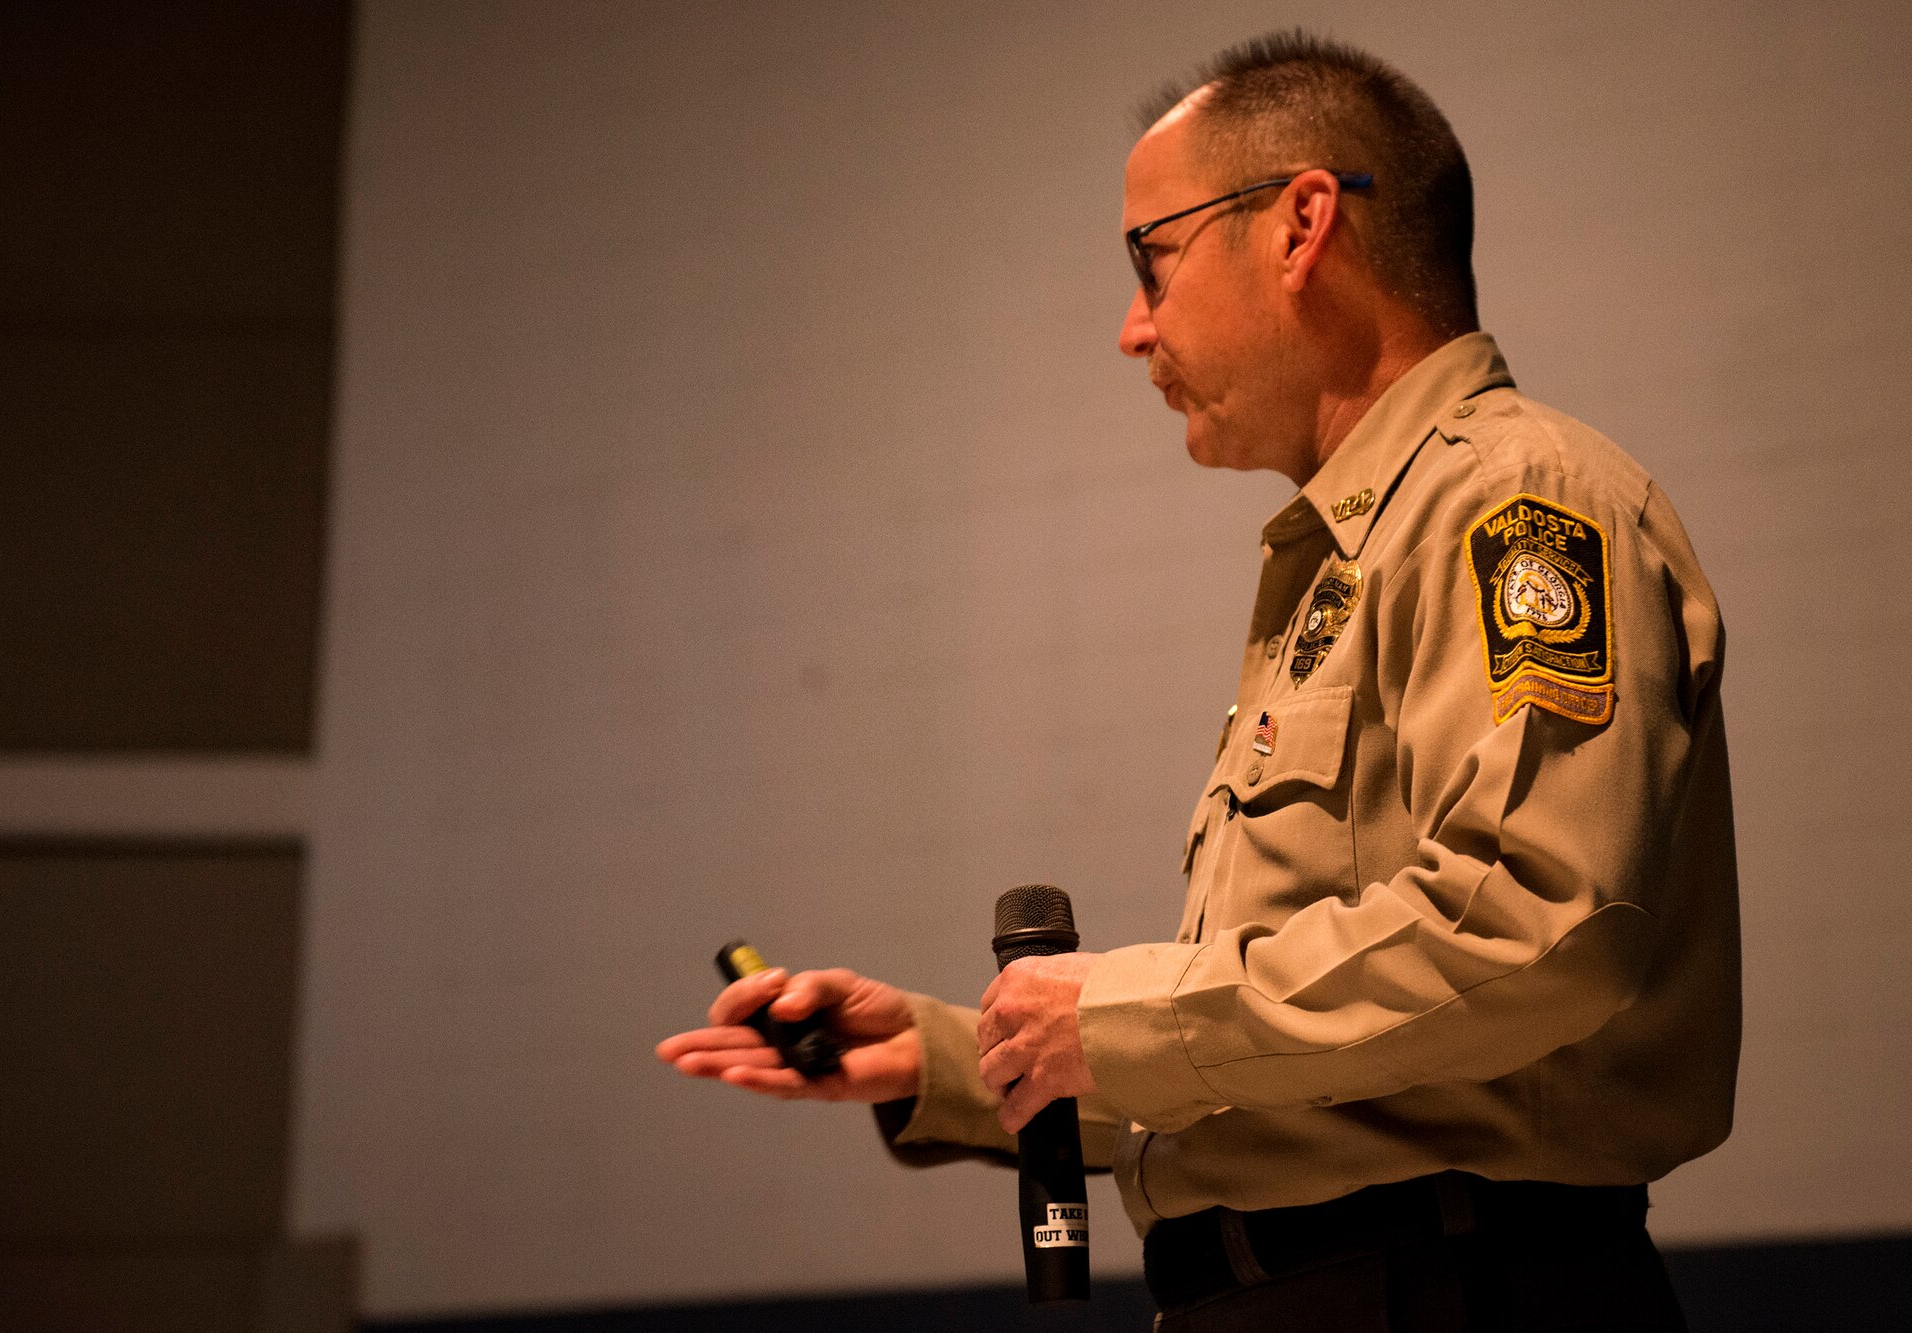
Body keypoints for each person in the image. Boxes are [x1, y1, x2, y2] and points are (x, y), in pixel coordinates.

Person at [658, 31, 1738, 1332]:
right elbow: (1303, 1057)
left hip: (1446, 1288)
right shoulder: (1345, 553)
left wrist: (1104, 1010)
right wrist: (952, 1055)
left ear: (1300, 224)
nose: (1131, 329)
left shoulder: (1515, 502)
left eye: (1149, 259)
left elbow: (1534, 927)